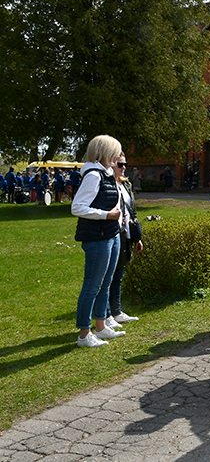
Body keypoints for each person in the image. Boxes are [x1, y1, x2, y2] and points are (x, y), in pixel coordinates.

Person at [71, 135, 126, 347]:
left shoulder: (105, 173)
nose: (117, 157)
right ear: (106, 153)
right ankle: (85, 334)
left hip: (110, 235)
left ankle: (101, 326)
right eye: (115, 152)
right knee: (92, 285)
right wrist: (106, 215)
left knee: (105, 283)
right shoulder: (94, 175)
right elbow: (77, 207)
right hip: (98, 237)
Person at [105, 154, 142, 329]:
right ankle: (105, 315)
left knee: (118, 275)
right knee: (107, 276)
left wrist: (137, 237)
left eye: (125, 163)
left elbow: (132, 211)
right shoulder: (106, 183)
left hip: (125, 233)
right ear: (110, 164)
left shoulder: (125, 183)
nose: (124, 167)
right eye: (120, 164)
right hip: (113, 232)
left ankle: (116, 312)